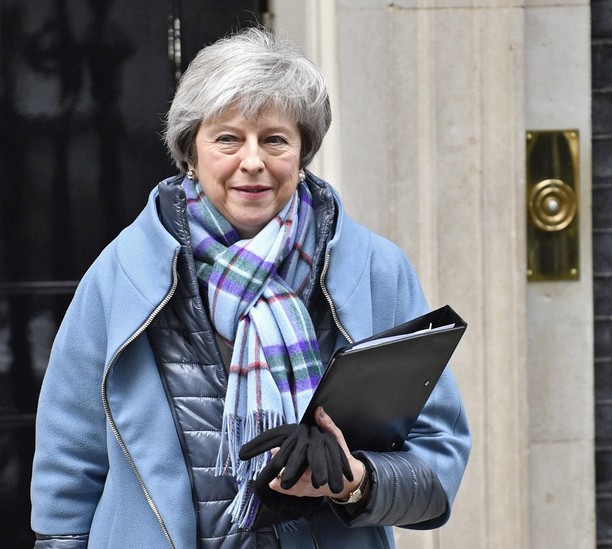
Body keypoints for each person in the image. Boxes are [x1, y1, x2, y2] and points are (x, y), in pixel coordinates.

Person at [30, 27, 470, 548]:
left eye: (275, 139)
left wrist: (357, 482)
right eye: (228, 138)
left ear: (303, 150)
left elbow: (438, 461)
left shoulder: (376, 270)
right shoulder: (121, 273)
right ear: (190, 152)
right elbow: (69, 461)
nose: (253, 161)